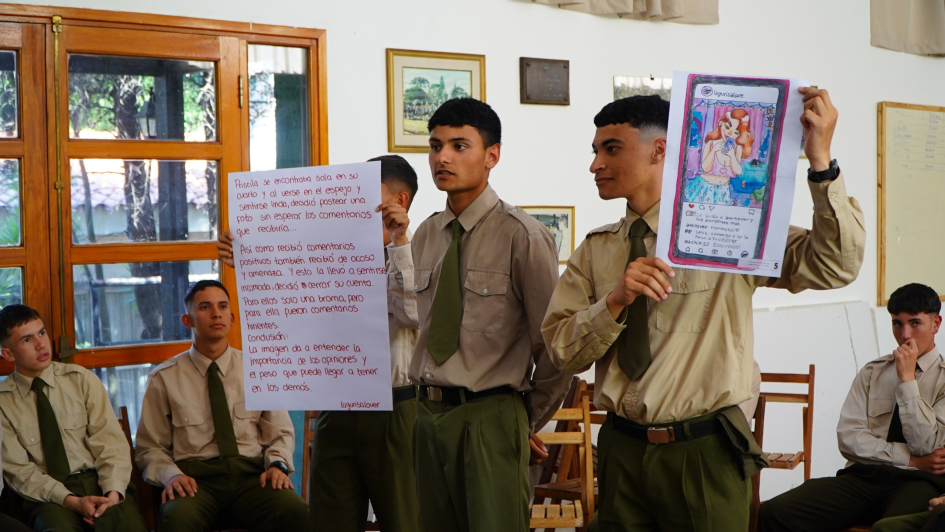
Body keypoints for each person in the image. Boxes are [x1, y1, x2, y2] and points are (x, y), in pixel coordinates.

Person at [541, 89, 865, 531]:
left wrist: (821, 161)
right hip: (621, 449)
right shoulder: (596, 250)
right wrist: (614, 301)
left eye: (611, 149)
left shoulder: (726, 227)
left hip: (702, 452)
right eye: (595, 151)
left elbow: (834, 265)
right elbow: (562, 352)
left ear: (661, 150)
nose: (595, 164)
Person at [378, 97, 572, 532]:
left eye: (459, 145)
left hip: (490, 414)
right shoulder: (425, 232)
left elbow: (557, 350)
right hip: (427, 415)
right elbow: (418, 316)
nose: (442, 157)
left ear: (492, 156)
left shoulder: (523, 236)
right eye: (434, 145)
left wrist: (522, 418)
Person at [216, 155, 423, 531]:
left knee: (405, 519)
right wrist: (250, 262)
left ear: (400, 200)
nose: (352, 205)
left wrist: (399, 241)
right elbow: (294, 303)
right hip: (336, 407)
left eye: (364, 195)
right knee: (330, 519)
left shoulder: (420, 251)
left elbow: (414, 315)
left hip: (395, 410)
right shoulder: (329, 252)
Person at [760, 283, 945, 532]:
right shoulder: (872, 372)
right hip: (864, 476)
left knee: (891, 528)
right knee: (774, 513)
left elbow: (927, 444)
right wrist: (911, 460)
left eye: (915, 323)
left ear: (935, 324)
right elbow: (849, 439)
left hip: (920, 482)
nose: (905, 335)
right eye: (897, 324)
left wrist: (907, 380)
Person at [134, 280, 309, 532]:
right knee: (177, 520)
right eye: (204, 307)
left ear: (232, 317)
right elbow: (149, 448)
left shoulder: (259, 369)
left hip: (252, 479)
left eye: (222, 306)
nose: (216, 313)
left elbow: (279, 433)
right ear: (188, 320)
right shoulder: (164, 378)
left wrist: (277, 465)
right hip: (196, 482)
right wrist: (171, 475)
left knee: (296, 512)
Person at [0, 304, 149, 532]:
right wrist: (72, 501)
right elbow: (20, 472)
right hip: (47, 495)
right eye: (27, 340)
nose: (41, 344)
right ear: (8, 354)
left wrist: (112, 493)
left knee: (130, 526)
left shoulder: (81, 380)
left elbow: (111, 444)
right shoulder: (3, 402)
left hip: (99, 480)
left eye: (42, 333)